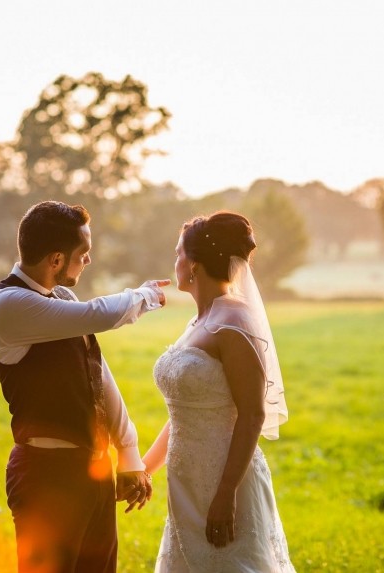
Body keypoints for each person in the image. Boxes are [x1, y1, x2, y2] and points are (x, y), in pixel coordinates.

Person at [0, 201, 170, 573]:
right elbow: (97, 314)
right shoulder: (8, 305)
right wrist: (145, 295)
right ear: (55, 260)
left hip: (94, 471)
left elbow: (98, 377)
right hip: (47, 475)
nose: (87, 261)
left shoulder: (61, 296)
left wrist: (128, 452)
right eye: (83, 254)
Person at [141, 211, 295, 572]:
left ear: (193, 265)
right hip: (186, 481)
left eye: (178, 253)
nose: (175, 261)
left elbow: (253, 414)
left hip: (227, 481)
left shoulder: (234, 322)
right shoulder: (197, 322)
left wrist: (225, 494)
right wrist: (144, 469)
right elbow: (185, 413)